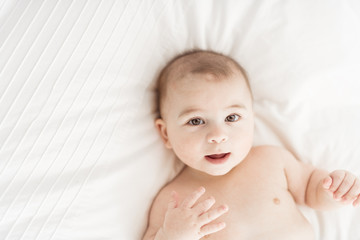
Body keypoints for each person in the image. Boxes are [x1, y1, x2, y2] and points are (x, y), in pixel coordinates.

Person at [142, 49, 360, 240]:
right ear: (166, 133)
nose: (217, 135)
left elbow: (312, 189)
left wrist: (335, 190)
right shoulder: (173, 201)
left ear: (252, 120)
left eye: (231, 117)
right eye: (196, 121)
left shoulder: (271, 160)